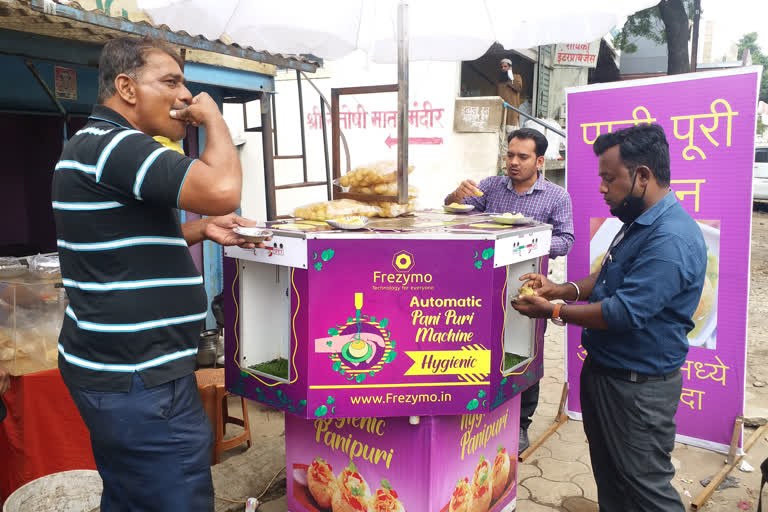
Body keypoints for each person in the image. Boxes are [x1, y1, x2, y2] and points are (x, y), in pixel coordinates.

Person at [52, 36, 262, 511]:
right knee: (174, 497)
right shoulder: (120, 147)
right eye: (170, 82)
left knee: (132, 496)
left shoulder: (91, 146)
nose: (185, 96)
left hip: (118, 372)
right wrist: (215, 119)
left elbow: (119, 245)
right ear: (126, 87)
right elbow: (224, 189)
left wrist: (202, 228)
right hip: (142, 378)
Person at [512, 124, 707, 511]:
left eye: (609, 178)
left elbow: (624, 312)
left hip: (637, 391)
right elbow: (606, 275)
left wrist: (552, 310)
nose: (602, 187)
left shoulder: (670, 238)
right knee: (612, 481)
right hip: (608, 374)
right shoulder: (639, 220)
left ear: (643, 176)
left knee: (646, 489)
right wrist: (562, 289)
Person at [445, 127, 574, 454]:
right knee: (481, 347)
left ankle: (520, 423)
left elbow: (566, 240)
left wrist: (524, 243)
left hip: (527, 287)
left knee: (524, 353)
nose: (513, 162)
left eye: (522, 157)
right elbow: (454, 216)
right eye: (510, 155)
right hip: (481, 284)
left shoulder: (556, 196)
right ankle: (477, 413)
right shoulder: (489, 186)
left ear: (540, 160)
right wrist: (453, 196)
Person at [497, 58, 523, 128]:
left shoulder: (516, 77)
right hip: (502, 111)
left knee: (511, 132)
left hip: (512, 112)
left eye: (505, 66)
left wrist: (510, 78)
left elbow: (518, 88)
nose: (503, 68)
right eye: (502, 67)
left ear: (510, 67)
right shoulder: (500, 81)